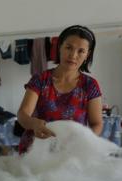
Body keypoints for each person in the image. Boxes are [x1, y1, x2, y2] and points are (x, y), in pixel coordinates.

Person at [17, 25, 103, 154]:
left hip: (72, 152)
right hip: (36, 152)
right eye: (68, 47)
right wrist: (34, 124)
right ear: (59, 47)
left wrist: (85, 141)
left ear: (87, 55)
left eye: (81, 51)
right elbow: (22, 115)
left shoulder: (90, 85)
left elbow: (96, 123)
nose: (73, 55)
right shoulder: (40, 80)